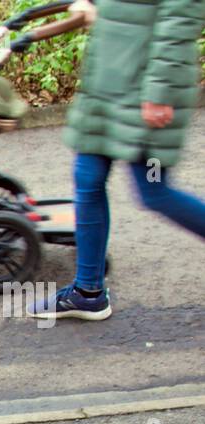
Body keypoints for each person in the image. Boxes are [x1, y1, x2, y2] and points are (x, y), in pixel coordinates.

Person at [29, 0, 205, 322]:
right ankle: (88, 292)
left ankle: (88, 290)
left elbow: (179, 21)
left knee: (155, 189)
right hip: (109, 90)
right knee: (88, 178)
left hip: (146, 98)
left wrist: (160, 92)